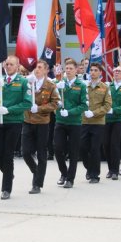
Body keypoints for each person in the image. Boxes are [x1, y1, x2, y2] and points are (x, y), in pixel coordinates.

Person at [0, 55, 32, 199]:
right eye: (6, 64)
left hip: (13, 122)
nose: (8, 66)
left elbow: (27, 103)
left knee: (8, 155)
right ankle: (9, 174)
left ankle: (6, 188)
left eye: (11, 64)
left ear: (17, 66)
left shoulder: (23, 82)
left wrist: (9, 109)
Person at [22, 60, 60, 194]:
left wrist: (39, 108)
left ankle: (37, 184)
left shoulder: (50, 85)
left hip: (42, 122)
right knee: (25, 152)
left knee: (41, 153)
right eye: (35, 68)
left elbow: (55, 103)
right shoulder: (27, 82)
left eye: (39, 68)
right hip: (28, 121)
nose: (36, 70)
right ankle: (36, 171)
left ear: (46, 70)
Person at [54, 58, 87, 188]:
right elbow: (52, 100)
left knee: (73, 151)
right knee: (57, 148)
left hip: (74, 122)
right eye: (66, 68)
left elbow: (84, 105)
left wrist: (71, 112)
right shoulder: (59, 83)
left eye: (70, 69)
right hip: (60, 121)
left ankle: (70, 179)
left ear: (76, 70)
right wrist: (57, 103)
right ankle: (64, 172)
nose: (68, 71)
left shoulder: (81, 85)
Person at [80, 63, 112, 183]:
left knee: (95, 149)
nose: (92, 72)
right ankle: (89, 168)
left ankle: (94, 175)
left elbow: (107, 105)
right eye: (91, 70)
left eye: (95, 70)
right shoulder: (84, 86)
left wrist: (94, 113)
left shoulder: (105, 87)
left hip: (98, 122)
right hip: (84, 121)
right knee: (83, 147)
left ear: (100, 73)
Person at [104, 66, 121, 180]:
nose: (116, 73)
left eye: (119, 71)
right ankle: (110, 169)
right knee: (106, 144)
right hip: (107, 118)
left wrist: (114, 110)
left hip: (119, 119)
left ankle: (115, 170)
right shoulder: (107, 86)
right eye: (115, 71)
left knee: (115, 144)